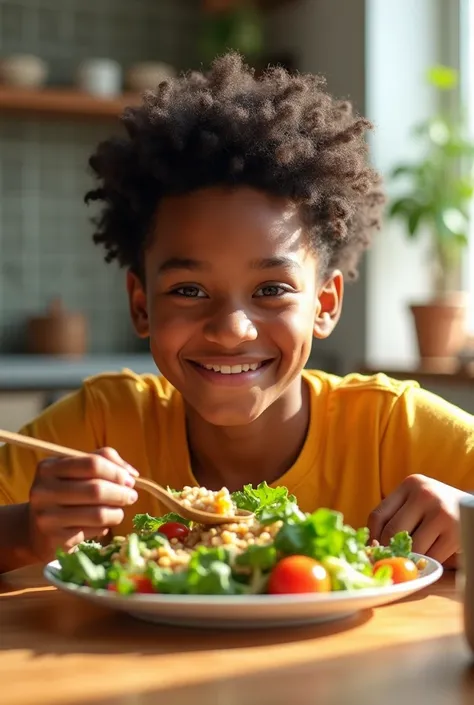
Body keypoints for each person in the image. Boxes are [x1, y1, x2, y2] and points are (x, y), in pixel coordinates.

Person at [0, 53, 472, 574]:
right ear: (141, 306)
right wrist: (25, 531)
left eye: (271, 288)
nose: (231, 329)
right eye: (189, 290)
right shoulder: (104, 422)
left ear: (325, 304)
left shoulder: (390, 426)